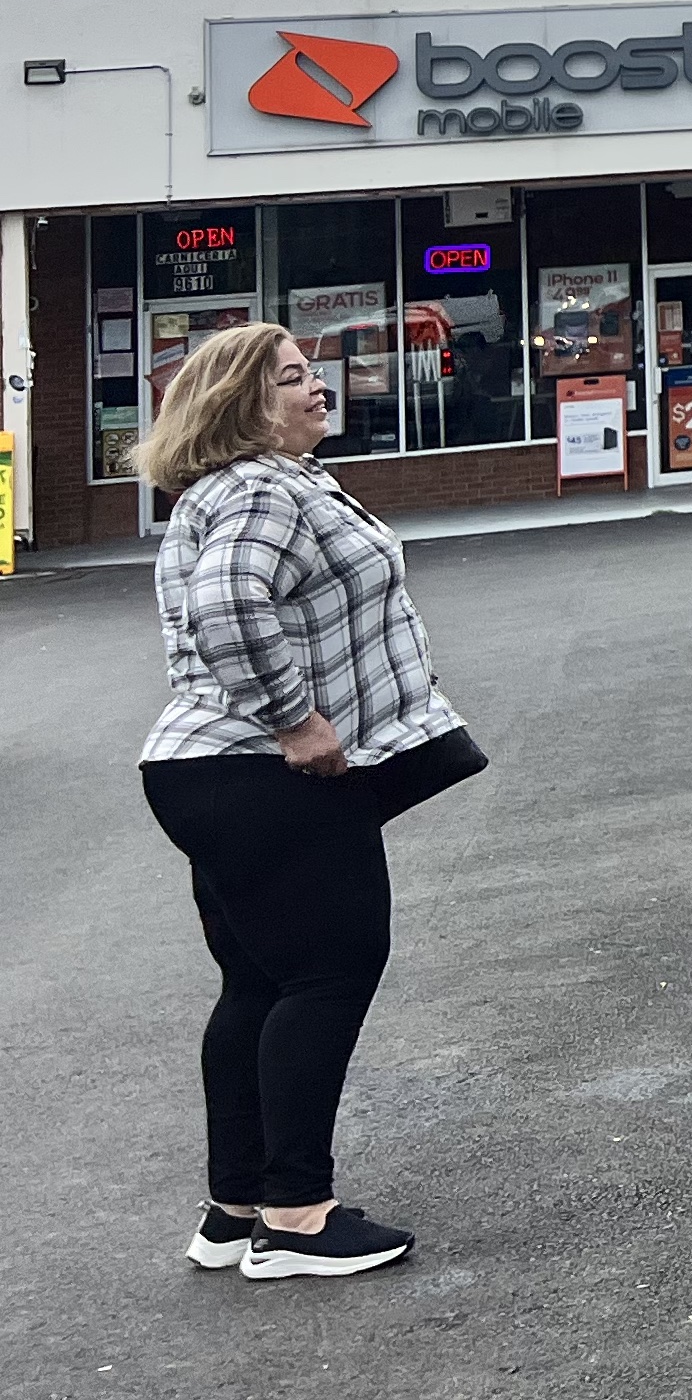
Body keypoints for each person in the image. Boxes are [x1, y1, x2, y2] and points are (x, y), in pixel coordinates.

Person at [138, 322, 472, 1280]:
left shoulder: (235, 488)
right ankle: (297, 1218)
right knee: (328, 973)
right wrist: (297, 720)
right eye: (292, 379)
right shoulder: (260, 486)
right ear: (244, 406)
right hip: (261, 772)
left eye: (312, 373)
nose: (317, 389)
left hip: (207, 773)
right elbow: (231, 605)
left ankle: (235, 1210)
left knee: (260, 983)